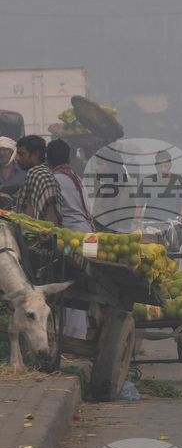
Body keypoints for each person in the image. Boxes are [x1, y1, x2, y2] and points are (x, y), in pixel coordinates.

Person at [47, 139, 94, 339]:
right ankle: (77, 335)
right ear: (68, 158)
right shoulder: (77, 179)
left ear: (47, 159)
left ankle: (75, 339)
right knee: (84, 286)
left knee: (72, 288)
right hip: (89, 236)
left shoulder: (52, 180)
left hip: (71, 239)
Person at [15, 135, 62, 226]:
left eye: (21, 154)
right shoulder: (36, 173)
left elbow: (50, 216)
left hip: (39, 236)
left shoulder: (40, 175)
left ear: (35, 155)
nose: (17, 158)